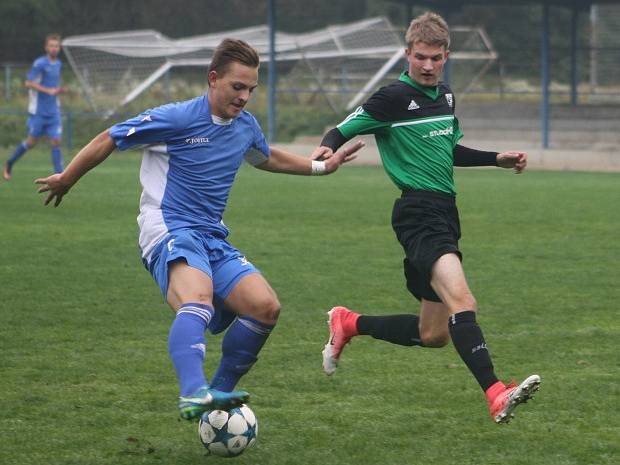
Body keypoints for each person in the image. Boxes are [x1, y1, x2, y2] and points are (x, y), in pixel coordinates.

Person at [35, 38, 363, 421]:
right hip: (168, 227)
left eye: (251, 90)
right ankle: (193, 393)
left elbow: (267, 156)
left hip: (210, 235)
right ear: (213, 79)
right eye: (237, 87)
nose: (244, 97)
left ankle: (217, 399)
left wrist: (323, 167)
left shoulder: (244, 126)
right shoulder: (176, 118)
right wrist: (67, 179)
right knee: (199, 300)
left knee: (265, 307)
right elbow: (110, 137)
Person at [315, 12, 540, 424]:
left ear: (446, 56)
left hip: (445, 212)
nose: (428, 65)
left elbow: (448, 151)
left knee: (433, 334)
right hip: (417, 214)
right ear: (408, 54)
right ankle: (495, 392)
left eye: (436, 58)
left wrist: (496, 160)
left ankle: (348, 323)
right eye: (420, 57)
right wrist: (328, 148)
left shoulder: (446, 97)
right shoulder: (392, 98)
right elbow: (344, 127)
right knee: (463, 301)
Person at [3, 34, 66, 181]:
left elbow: (53, 85)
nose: (54, 48)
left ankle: (60, 177)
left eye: (56, 46)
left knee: (56, 141)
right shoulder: (40, 63)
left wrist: (58, 90)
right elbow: (28, 83)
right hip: (38, 111)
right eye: (51, 45)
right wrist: (48, 90)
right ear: (46, 47)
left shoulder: (58, 64)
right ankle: (9, 163)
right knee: (31, 142)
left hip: (53, 112)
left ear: (59, 48)